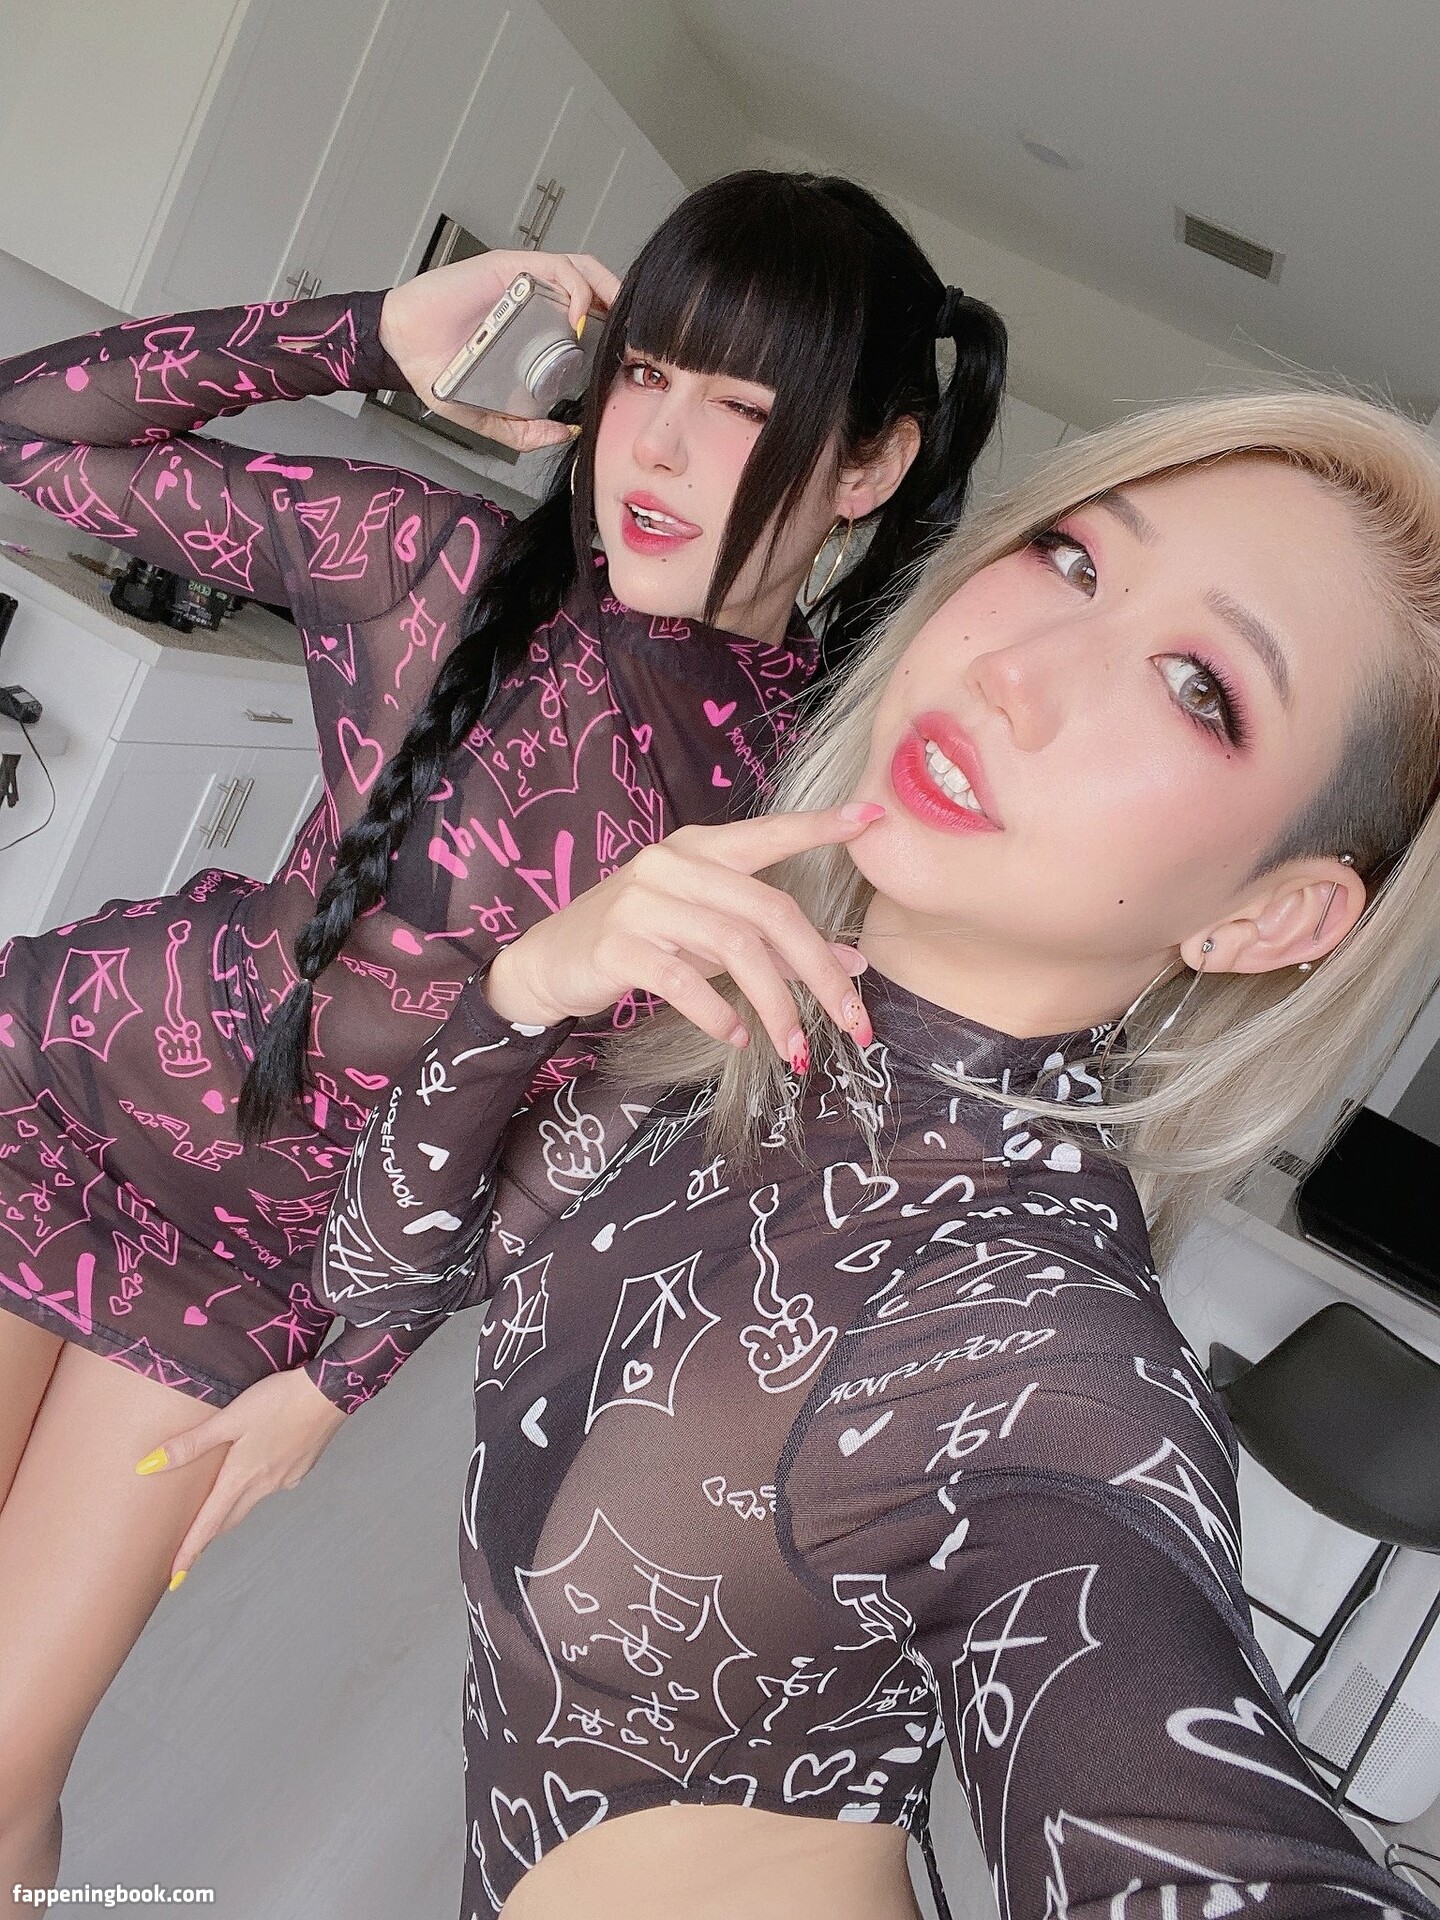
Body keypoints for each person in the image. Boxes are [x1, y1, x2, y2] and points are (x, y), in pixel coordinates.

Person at [0, 170, 1007, 1901]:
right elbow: (31, 430)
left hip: (261, 1271)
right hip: (57, 1090)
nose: (656, 447)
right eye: (646, 374)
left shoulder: (811, 815)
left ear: (870, 465)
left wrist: (345, 1371)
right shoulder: (433, 562)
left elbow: (568, 1172)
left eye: (740, 406)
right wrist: (375, 334)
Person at [314, 387, 1440, 1919]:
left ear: (1267, 916)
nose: (1018, 672)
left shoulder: (1032, 1348)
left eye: (1198, 687)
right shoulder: (747, 1025)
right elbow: (376, 1278)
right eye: (1071, 560)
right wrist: (524, 989)